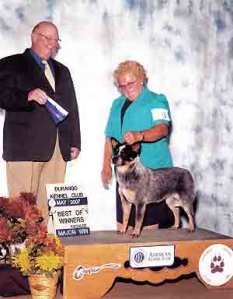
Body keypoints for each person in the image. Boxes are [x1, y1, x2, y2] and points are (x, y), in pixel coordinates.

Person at [0, 21, 81, 223]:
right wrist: (27, 96)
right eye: (48, 39)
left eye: (56, 40)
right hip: (24, 147)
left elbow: (72, 106)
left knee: (49, 210)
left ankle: (46, 253)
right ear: (34, 36)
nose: (53, 44)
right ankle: (20, 254)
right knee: (21, 208)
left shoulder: (63, 70)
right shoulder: (11, 64)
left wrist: (75, 141)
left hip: (57, 148)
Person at [101, 60, 173, 232]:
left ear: (142, 79)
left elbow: (163, 129)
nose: (127, 88)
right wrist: (106, 166)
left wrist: (140, 136)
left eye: (130, 83)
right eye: (122, 85)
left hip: (152, 176)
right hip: (125, 177)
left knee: (148, 237)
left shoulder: (156, 100)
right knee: (122, 230)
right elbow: (110, 137)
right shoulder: (117, 104)